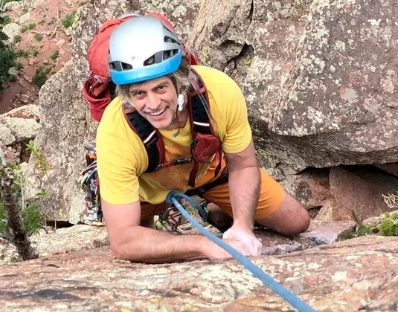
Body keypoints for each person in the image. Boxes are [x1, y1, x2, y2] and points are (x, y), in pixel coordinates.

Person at [95, 15, 310, 263]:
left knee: (296, 222)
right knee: (143, 249)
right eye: (139, 93)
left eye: (160, 88)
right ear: (126, 94)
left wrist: (243, 225)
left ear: (179, 80)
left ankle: (218, 210)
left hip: (209, 172)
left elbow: (243, 165)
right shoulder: (116, 130)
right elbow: (123, 242)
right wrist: (204, 245)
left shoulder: (220, 92)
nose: (152, 104)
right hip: (146, 190)